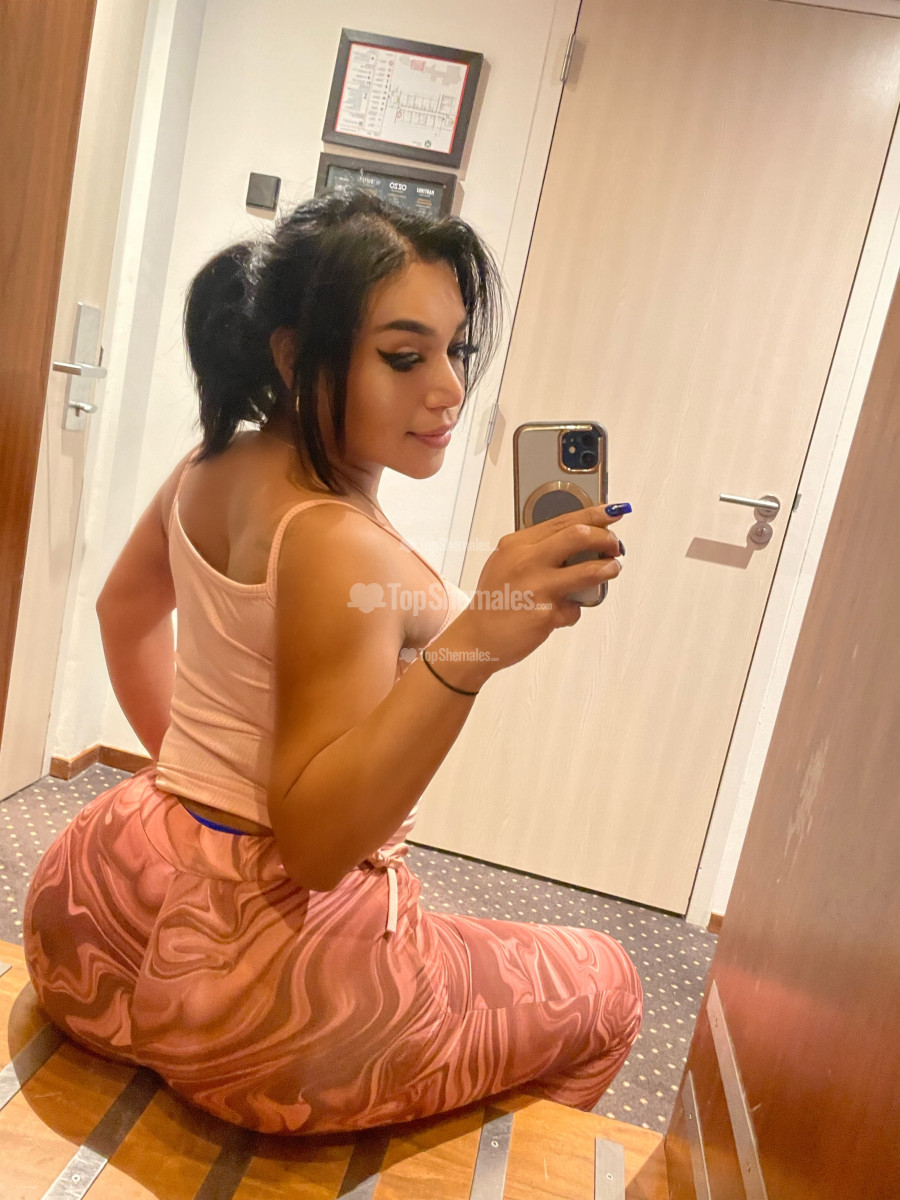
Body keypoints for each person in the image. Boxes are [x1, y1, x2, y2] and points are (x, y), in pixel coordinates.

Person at [23, 190, 641, 1136]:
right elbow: (313, 848)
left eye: (456, 349)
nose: (449, 389)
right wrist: (475, 643)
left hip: (92, 912)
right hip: (267, 1007)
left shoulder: (210, 467)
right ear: (292, 354)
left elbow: (125, 612)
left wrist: (197, 785)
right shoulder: (339, 541)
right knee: (612, 985)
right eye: (405, 356)